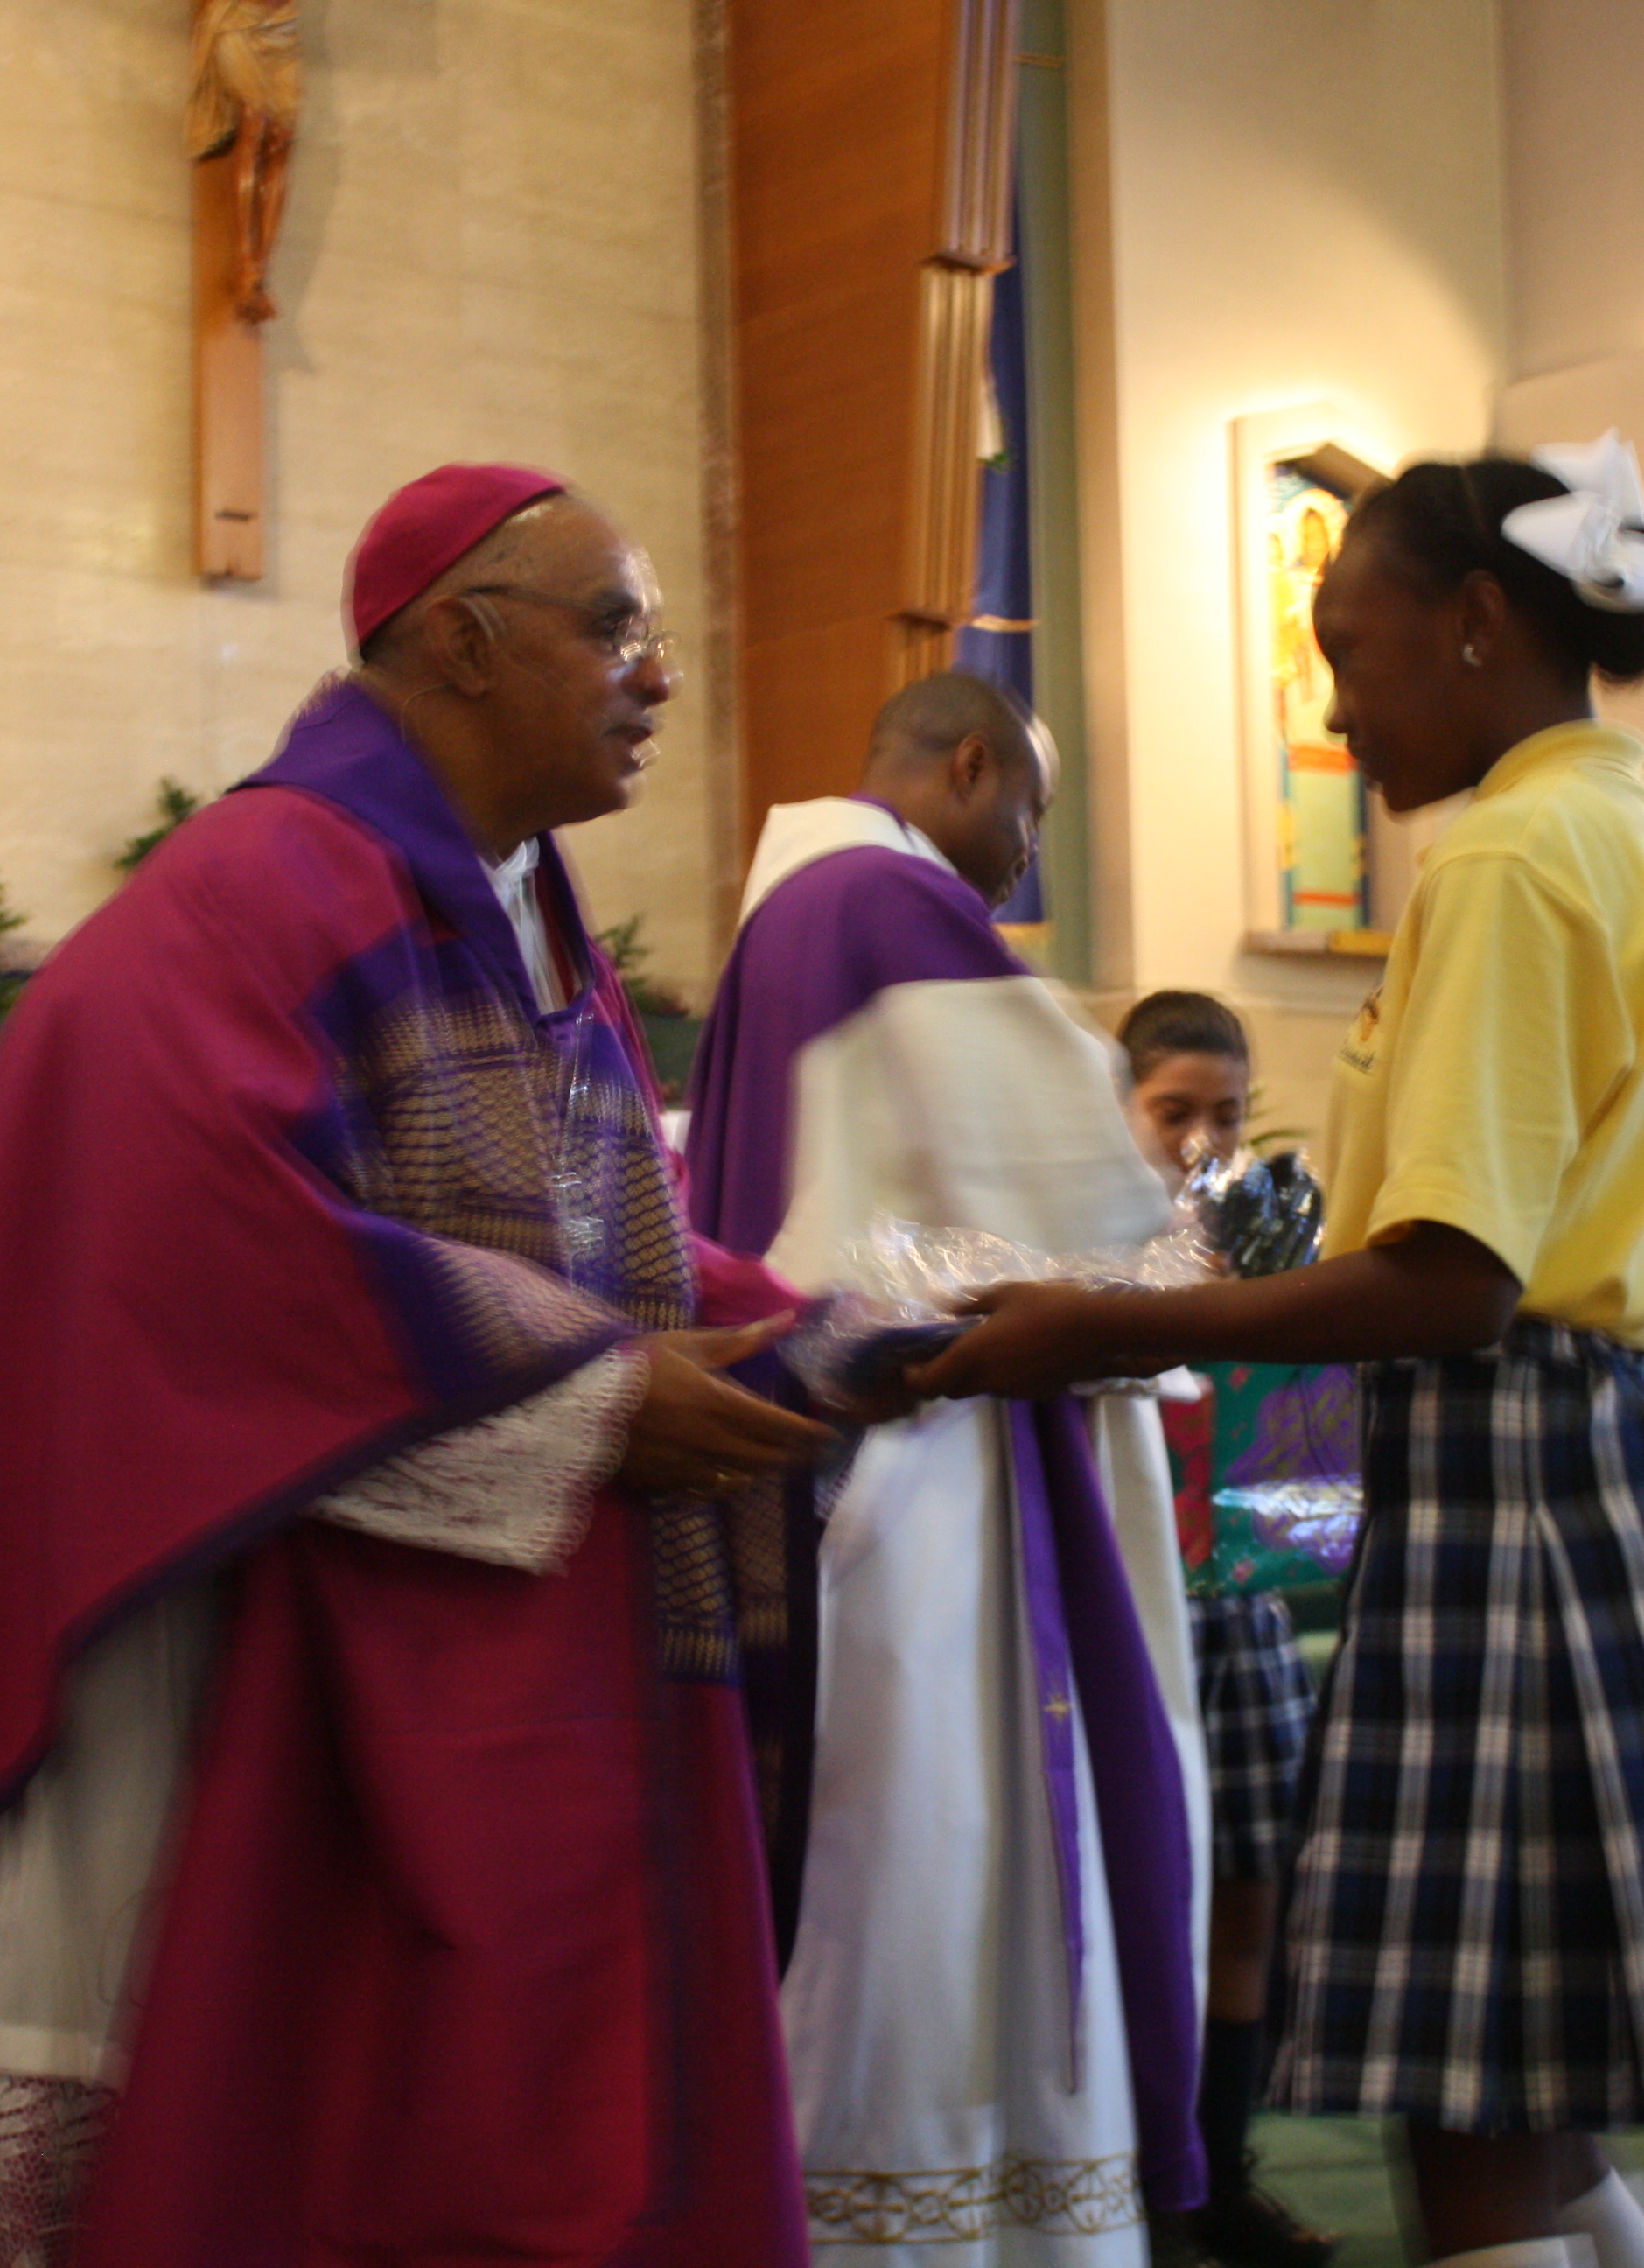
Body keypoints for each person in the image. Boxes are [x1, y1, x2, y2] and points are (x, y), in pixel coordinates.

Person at [0, 465, 832, 2268]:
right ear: (464, 641)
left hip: (460, 1613)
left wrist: (819, 1333)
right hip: (215, 1609)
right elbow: (185, 1234)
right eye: (616, 630)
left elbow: (605, 1242)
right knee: (233, 2130)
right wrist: (597, 1394)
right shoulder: (264, 881)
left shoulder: (526, 915)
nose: (659, 676)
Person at [913, 437, 1644, 2268]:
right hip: (1600, 1474)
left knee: (1473, 2122)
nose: (1332, 706)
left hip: (1522, 1503)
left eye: (1348, 647)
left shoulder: (1511, 856)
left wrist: (1099, 1326)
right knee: (1534, 2109)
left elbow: (1450, 1282)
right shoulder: (1614, 821)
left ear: (1476, 623)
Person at [684, 670, 1210, 2266]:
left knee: (871, 1869)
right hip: (928, 1481)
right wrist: (1194, 1264)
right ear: (968, 764)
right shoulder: (888, 902)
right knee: (943, 1860)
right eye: (1028, 816)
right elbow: (1094, 1199)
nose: (1024, 858)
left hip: (831, 1465)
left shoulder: (781, 918)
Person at [1116, 990, 1340, 2268]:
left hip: (1240, 1614)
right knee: (1139, 1905)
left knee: (1248, 1906)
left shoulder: (1267, 1241)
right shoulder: (1089, 1247)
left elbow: (1305, 1488)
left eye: (1227, 1114)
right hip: (1128, 1622)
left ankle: (1221, 2177)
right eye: (1173, 1113)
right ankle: (1137, 2192)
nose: (1203, 1141)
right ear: (1122, 1111)